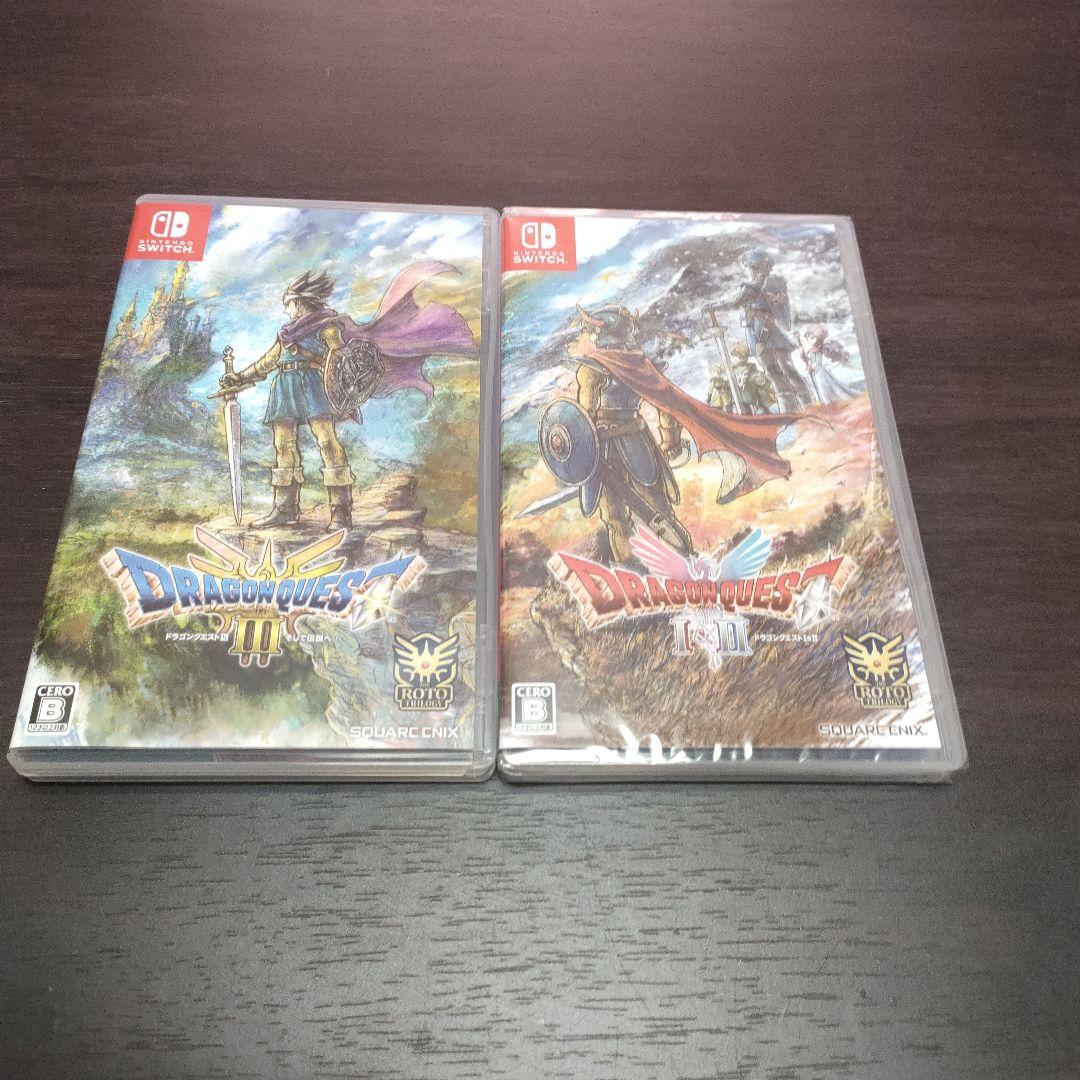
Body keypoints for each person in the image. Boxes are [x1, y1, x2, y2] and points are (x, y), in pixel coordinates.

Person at [220, 263, 477, 530]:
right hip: (284, 388)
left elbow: (343, 364)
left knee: (327, 442)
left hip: (314, 388)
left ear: (300, 302)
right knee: (283, 446)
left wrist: (308, 356)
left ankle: (340, 512)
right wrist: (240, 377)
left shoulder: (328, 328)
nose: (286, 309)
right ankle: (285, 510)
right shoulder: (285, 334)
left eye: (289, 303)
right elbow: (267, 362)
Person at [704, 249, 813, 411]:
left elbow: (734, 303)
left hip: (761, 335)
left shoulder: (753, 287)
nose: (746, 269)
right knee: (786, 370)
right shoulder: (775, 283)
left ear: (754, 266)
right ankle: (806, 405)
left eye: (747, 266)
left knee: (774, 372)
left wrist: (712, 306)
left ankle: (791, 409)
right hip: (773, 334)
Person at [800, 323, 864, 402]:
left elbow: (818, 363)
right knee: (823, 388)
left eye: (812, 337)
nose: (809, 339)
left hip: (819, 372)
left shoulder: (818, 350)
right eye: (809, 337)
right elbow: (808, 360)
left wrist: (812, 368)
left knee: (825, 388)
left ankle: (830, 403)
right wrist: (804, 358)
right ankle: (829, 402)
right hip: (816, 372)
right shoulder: (811, 350)